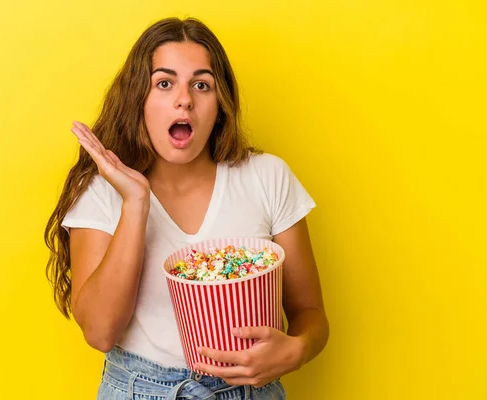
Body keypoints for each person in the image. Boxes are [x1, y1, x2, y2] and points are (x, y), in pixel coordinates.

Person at [45, 16, 329, 400]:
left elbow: (310, 313)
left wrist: (295, 351)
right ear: (138, 100)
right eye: (164, 83)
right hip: (138, 390)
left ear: (220, 103)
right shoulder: (103, 191)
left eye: (201, 84)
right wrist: (135, 202)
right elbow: (99, 332)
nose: (185, 99)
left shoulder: (267, 177)